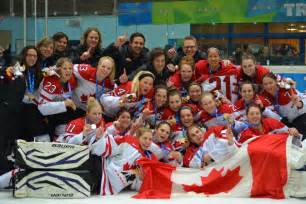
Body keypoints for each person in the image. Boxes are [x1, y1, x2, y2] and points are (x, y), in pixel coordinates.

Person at [90, 128, 157, 195]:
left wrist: (141, 179)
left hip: (108, 186)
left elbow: (135, 186)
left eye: (150, 139)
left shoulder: (146, 158)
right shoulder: (128, 141)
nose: (147, 141)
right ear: (138, 137)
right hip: (102, 172)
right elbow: (108, 146)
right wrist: (98, 139)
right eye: (145, 138)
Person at [37, 57, 79, 139]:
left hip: (58, 112)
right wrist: (65, 103)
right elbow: (42, 107)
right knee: (45, 138)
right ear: (59, 70)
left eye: (70, 68)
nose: (68, 71)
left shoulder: (72, 80)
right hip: (40, 112)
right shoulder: (51, 81)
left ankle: (61, 137)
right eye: (65, 68)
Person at [261, 72, 306, 138]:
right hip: (290, 123)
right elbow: (278, 117)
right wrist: (263, 109)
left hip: (302, 118)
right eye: (265, 84)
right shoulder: (267, 98)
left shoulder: (286, 90)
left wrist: (299, 104)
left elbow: (303, 103)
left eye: (270, 83)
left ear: (276, 82)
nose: (268, 86)